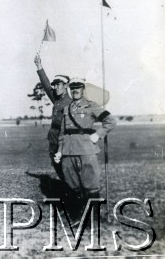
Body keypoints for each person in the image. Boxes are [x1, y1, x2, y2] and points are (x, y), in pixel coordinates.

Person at [54, 78, 117, 217]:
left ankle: (94, 218)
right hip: (68, 153)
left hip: (86, 151)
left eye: (78, 87)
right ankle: (77, 215)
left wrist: (98, 134)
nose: (75, 90)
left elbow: (111, 121)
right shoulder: (66, 109)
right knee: (72, 186)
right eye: (72, 87)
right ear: (69, 89)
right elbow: (62, 133)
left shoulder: (91, 106)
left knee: (91, 186)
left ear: (83, 89)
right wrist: (59, 151)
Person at [34, 54, 71, 180]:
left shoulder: (71, 102)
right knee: (56, 164)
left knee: (66, 166)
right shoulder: (56, 100)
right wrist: (39, 66)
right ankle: (67, 187)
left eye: (58, 85)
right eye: (54, 85)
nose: (55, 87)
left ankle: (72, 189)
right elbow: (46, 85)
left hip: (64, 138)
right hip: (53, 138)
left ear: (66, 86)